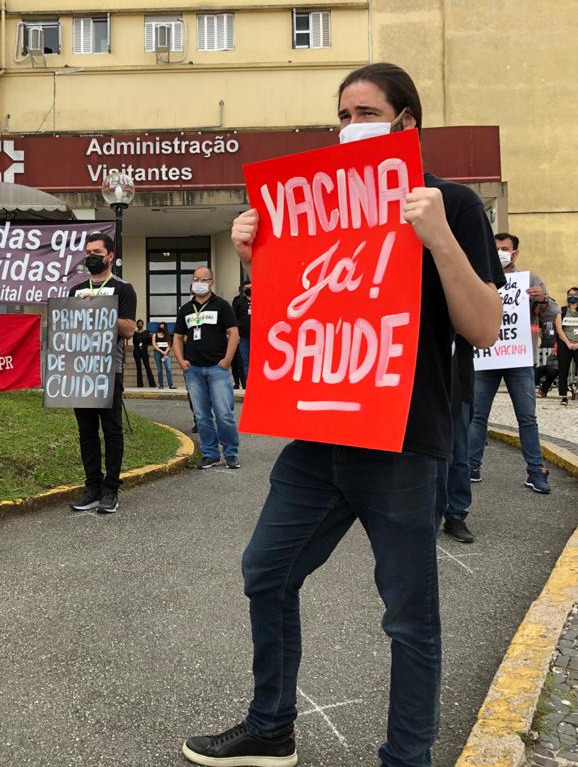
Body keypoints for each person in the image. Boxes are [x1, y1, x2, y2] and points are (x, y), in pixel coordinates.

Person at [182, 62, 504, 767]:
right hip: (323, 433)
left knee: (408, 616)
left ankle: (407, 756)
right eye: (343, 115)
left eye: (366, 113)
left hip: (404, 440)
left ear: (406, 122)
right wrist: (257, 258)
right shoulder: (321, 206)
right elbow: (307, 317)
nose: (350, 125)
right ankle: (271, 726)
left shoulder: (452, 204)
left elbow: (483, 327)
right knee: (266, 571)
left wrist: (438, 236)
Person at [467, 232, 557, 494]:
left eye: (505, 248)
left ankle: (535, 471)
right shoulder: (477, 279)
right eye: (495, 248)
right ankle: (471, 467)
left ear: (515, 253)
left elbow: (552, 314)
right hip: (486, 356)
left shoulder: (529, 280)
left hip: (518, 358)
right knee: (477, 415)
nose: (500, 253)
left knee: (527, 417)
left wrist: (543, 299)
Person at [68, 232, 138, 513]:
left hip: (109, 369)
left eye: (97, 252)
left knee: (111, 430)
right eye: (87, 252)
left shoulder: (123, 289)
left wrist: (100, 307)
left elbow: (129, 329)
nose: (91, 257)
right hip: (80, 370)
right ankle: (92, 488)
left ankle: (111, 490)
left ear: (110, 256)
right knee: (86, 432)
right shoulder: (76, 289)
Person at [172, 266, 241, 470]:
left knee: (224, 414)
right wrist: (181, 361)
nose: (199, 283)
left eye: (204, 279)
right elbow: (177, 337)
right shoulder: (185, 309)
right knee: (202, 415)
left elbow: (234, 333)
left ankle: (231, 453)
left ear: (212, 282)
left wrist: (227, 360)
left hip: (217, 368)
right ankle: (210, 453)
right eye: (196, 279)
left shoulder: (222, 306)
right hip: (193, 370)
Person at [441, 337, 478, 544]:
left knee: (458, 454)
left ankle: (456, 515)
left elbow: (484, 336)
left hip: (458, 382)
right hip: (419, 382)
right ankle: (424, 513)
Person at [232, 280, 252, 380]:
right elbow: (233, 319)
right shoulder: (238, 302)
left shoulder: (260, 300)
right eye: (247, 288)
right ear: (243, 289)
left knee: (257, 361)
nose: (249, 290)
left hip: (258, 337)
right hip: (243, 337)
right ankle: (248, 382)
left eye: (251, 288)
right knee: (245, 361)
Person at [131, 319, 156, 388]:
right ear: (137, 325)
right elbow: (134, 342)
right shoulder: (135, 333)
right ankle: (140, 384)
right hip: (137, 351)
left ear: (143, 324)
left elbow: (149, 341)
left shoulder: (146, 332)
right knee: (138, 367)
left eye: (141, 323)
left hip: (144, 351)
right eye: (138, 323)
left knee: (147, 366)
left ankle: (152, 384)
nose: (139, 324)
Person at [153, 322, 175, 389]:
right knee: (159, 369)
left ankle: (171, 385)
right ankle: (161, 385)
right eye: (160, 327)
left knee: (168, 368)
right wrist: (162, 351)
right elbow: (154, 345)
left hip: (166, 353)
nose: (161, 328)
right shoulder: (154, 334)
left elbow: (169, 345)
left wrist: (165, 352)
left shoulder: (167, 335)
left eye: (163, 327)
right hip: (157, 353)